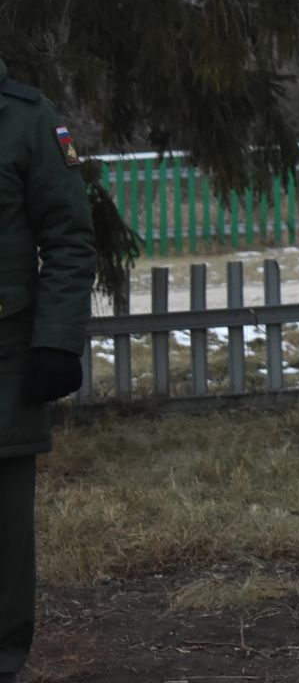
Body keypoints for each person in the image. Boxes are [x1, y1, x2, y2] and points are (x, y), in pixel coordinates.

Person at [0, 60, 97, 683]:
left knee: (4, 529)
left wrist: (56, 343)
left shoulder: (26, 118)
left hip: (4, 355)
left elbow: (68, 237)